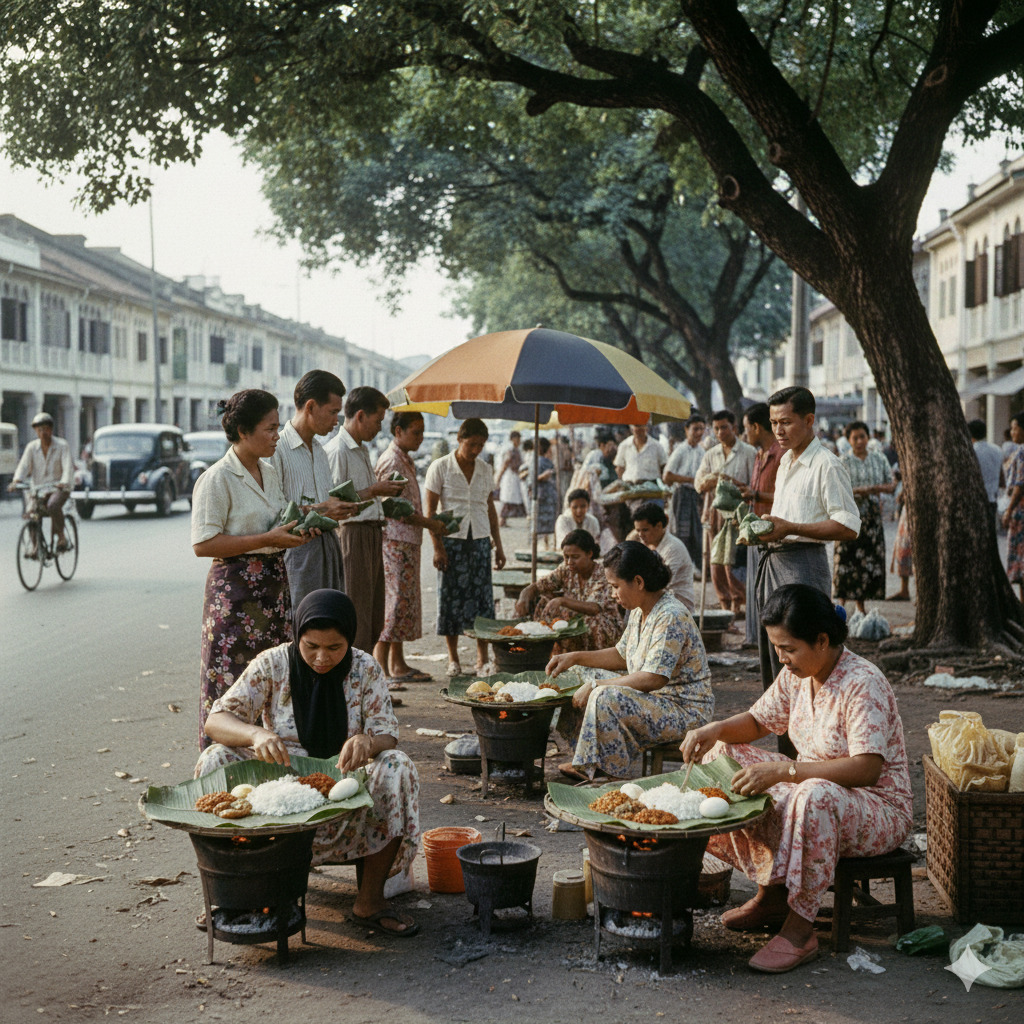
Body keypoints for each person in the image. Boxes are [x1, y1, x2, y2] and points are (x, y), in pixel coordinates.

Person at [681, 584, 912, 974]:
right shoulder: (798, 675)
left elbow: (866, 768)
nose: (781, 659)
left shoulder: (862, 682)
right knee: (723, 755)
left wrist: (785, 771)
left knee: (814, 796)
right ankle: (772, 893)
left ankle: (800, 928)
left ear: (822, 641)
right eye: (776, 648)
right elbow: (757, 721)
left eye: (789, 649)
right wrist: (714, 729)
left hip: (876, 807)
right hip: (812, 786)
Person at [196, 589, 420, 936]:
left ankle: (370, 901)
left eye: (334, 648)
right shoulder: (272, 664)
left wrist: (367, 741)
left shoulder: (365, 668)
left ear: (349, 640)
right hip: (278, 786)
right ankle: (237, 894)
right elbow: (216, 720)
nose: (321, 658)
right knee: (215, 758)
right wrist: (256, 734)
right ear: (297, 635)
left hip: (344, 784)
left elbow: (388, 734)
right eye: (311, 646)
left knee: (397, 765)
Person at [190, 389, 311, 748]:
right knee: (231, 680)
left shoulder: (269, 471)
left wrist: (297, 530)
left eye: (277, 427)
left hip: (274, 587)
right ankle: (221, 767)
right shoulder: (217, 479)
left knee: (272, 677)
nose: (277, 435)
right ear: (243, 431)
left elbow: (276, 522)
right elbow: (203, 544)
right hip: (235, 594)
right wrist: (266, 539)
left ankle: (268, 760)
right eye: (270, 428)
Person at [547, 541, 712, 781]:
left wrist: (596, 686)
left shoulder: (670, 616)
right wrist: (574, 658)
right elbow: (622, 654)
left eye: (615, 587)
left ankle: (611, 774)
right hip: (655, 701)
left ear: (638, 582)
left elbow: (653, 678)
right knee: (576, 675)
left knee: (604, 696)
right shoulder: (639, 609)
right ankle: (587, 759)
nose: (613, 594)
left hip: (683, 710)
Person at [757, 387, 859, 724]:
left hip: (804, 565)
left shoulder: (827, 464)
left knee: (805, 657)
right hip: (774, 561)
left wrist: (790, 528)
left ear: (809, 420)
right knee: (777, 660)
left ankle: (812, 748)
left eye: (786, 422)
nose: (779, 431)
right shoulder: (785, 460)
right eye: (774, 423)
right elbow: (784, 520)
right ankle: (785, 748)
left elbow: (847, 526)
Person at [323, 387, 406, 660]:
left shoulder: (360, 449)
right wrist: (374, 490)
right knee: (356, 612)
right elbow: (332, 501)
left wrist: (379, 493)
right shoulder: (338, 450)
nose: (380, 427)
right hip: (353, 534)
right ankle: (353, 687)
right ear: (360, 415)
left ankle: (367, 682)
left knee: (373, 615)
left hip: (371, 532)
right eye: (378, 419)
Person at [266, 369, 359, 609]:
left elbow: (324, 503)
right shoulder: (276, 449)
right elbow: (272, 513)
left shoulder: (319, 449)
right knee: (303, 623)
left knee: (331, 620)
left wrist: (335, 509)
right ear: (310, 407)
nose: (336, 421)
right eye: (332, 412)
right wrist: (322, 509)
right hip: (297, 553)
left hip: (328, 547)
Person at [425, 418, 506, 677]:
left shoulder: (484, 468)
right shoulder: (440, 467)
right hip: (452, 541)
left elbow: (490, 508)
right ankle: (453, 658)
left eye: (480, 445)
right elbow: (430, 512)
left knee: (483, 599)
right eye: (471, 444)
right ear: (459, 439)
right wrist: (437, 547)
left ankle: (482, 658)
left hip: (480, 539)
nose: (475, 450)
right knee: (450, 598)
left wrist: (499, 546)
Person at [373, 411, 447, 682]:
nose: (421, 437)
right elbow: (394, 509)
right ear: (398, 431)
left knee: (402, 603)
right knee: (393, 605)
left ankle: (398, 663)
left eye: (421, 431)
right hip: (395, 541)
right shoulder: (392, 460)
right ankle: (380, 666)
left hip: (406, 541)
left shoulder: (404, 459)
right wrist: (430, 523)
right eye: (416, 432)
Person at [514, 528, 621, 652]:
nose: (570, 562)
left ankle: (594, 661)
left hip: (603, 624)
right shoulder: (566, 569)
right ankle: (540, 653)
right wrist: (524, 597)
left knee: (591, 622)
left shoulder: (603, 574)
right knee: (543, 602)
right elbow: (538, 586)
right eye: (566, 557)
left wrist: (562, 601)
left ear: (589, 554)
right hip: (574, 620)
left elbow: (594, 608)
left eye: (575, 557)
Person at [695, 409, 755, 618]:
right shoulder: (710, 454)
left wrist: (728, 481)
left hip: (739, 513)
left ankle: (738, 603)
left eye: (724, 427)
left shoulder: (748, 452)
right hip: (714, 513)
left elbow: (752, 485)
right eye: (716, 428)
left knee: (734, 559)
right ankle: (724, 603)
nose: (720, 432)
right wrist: (711, 480)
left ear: (734, 428)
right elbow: (699, 483)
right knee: (715, 559)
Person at [832, 421, 895, 614]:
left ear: (868, 437)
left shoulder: (879, 458)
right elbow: (836, 490)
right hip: (848, 519)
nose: (859, 441)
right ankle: (840, 605)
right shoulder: (842, 461)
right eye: (855, 438)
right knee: (845, 560)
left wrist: (874, 489)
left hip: (872, 519)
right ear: (848, 440)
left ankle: (861, 606)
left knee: (868, 562)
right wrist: (860, 491)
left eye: (862, 437)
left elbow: (891, 485)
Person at [740, 403, 783, 647]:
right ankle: (755, 640)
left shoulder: (780, 455)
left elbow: (783, 497)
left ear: (756, 427)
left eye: (747, 429)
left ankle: (768, 643)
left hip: (772, 533)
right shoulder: (759, 455)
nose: (745, 434)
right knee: (754, 590)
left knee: (768, 593)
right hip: (755, 530)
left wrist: (755, 495)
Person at [9, 412, 75, 554]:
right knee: (31, 514)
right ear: (35, 431)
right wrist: (16, 480)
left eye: (45, 429)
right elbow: (23, 466)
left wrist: (63, 482)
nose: (42, 432)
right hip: (38, 489)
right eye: (39, 430)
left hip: (58, 488)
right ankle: (36, 546)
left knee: (52, 505)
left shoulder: (62, 446)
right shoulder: (32, 447)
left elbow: (67, 467)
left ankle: (62, 537)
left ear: (51, 429)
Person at [631, 501, 695, 611]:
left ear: (659, 526)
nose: (641, 535)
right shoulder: (645, 544)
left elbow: (661, 584)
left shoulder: (673, 547)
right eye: (638, 531)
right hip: (655, 597)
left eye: (645, 530)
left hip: (677, 604)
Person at [662, 414, 706, 566]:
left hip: (696, 496)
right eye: (695, 429)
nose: (699, 433)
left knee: (696, 533)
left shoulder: (702, 452)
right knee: (681, 533)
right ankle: (678, 564)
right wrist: (691, 480)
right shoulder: (680, 450)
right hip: (682, 494)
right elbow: (667, 476)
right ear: (687, 430)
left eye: (701, 429)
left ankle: (692, 566)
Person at [1002, 411, 1024, 602]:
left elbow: (1019, 485)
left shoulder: (1022, 452)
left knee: (1021, 561)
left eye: (1015, 428)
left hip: (1020, 512)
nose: (1012, 432)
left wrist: (1009, 511)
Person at [521, 436, 557, 546]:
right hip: (541, 494)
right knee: (537, 521)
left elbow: (530, 480)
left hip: (545, 495)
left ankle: (544, 544)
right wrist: (542, 477)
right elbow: (531, 479)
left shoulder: (542, 461)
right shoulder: (535, 461)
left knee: (541, 522)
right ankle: (538, 545)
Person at [968, 418, 1004, 526]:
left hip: (975, 501)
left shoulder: (970, 451)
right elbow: (1002, 478)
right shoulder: (997, 450)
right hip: (992, 500)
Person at [494, 430, 527, 525]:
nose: (519, 440)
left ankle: (503, 519)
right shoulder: (510, 451)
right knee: (508, 500)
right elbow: (505, 465)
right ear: (513, 439)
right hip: (510, 477)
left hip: (515, 477)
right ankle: (502, 519)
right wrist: (498, 478)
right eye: (518, 438)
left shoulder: (516, 450)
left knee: (512, 499)